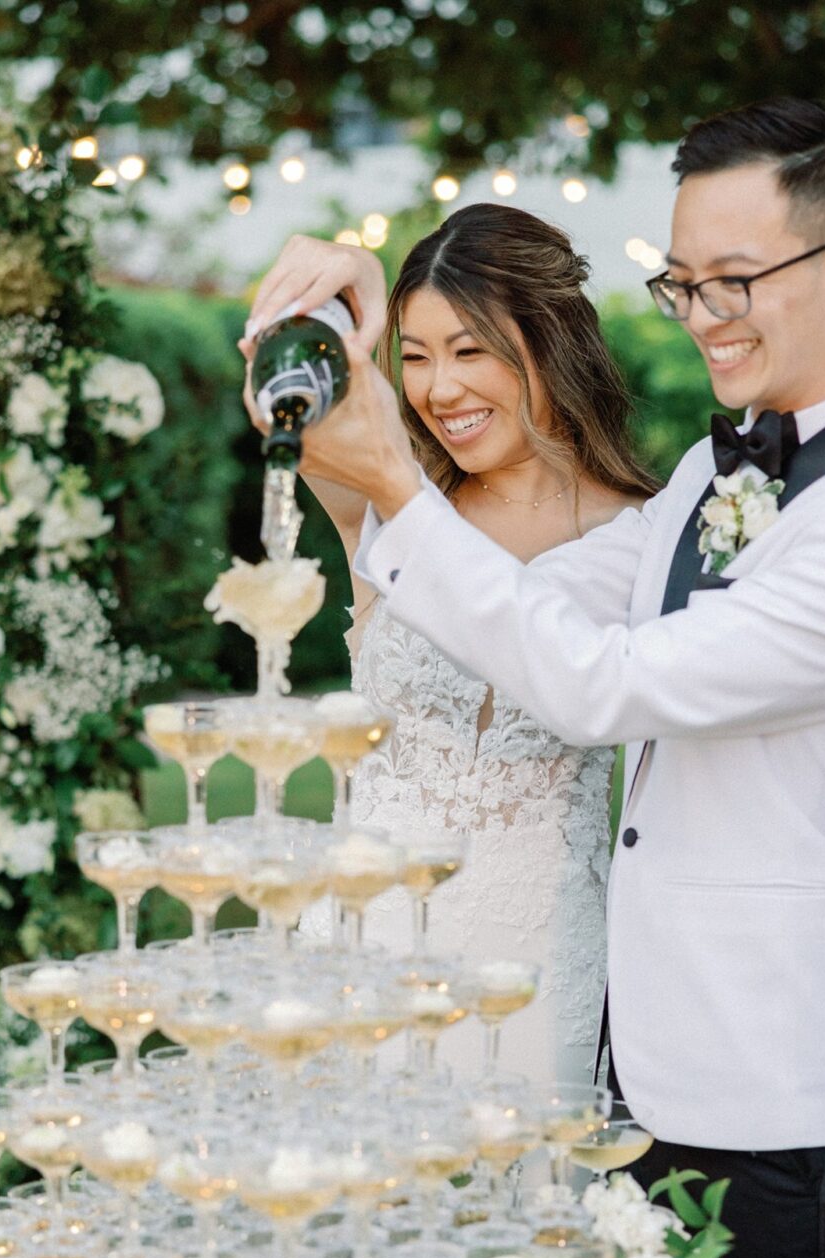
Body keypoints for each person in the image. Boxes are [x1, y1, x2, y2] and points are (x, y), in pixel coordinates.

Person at [250, 99, 825, 1258]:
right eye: (684, 281)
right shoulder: (725, 471)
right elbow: (553, 595)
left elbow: (605, 685)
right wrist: (364, 349)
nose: (705, 314)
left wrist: (391, 478)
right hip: (631, 1048)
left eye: (738, 279)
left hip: (777, 1081)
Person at [243, 205, 657, 1082]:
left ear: (554, 344)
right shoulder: (385, 501)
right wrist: (345, 282)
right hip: (353, 965)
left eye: (470, 351)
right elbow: (279, 391)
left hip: (530, 982)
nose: (439, 391)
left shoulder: (650, 541)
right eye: (419, 358)